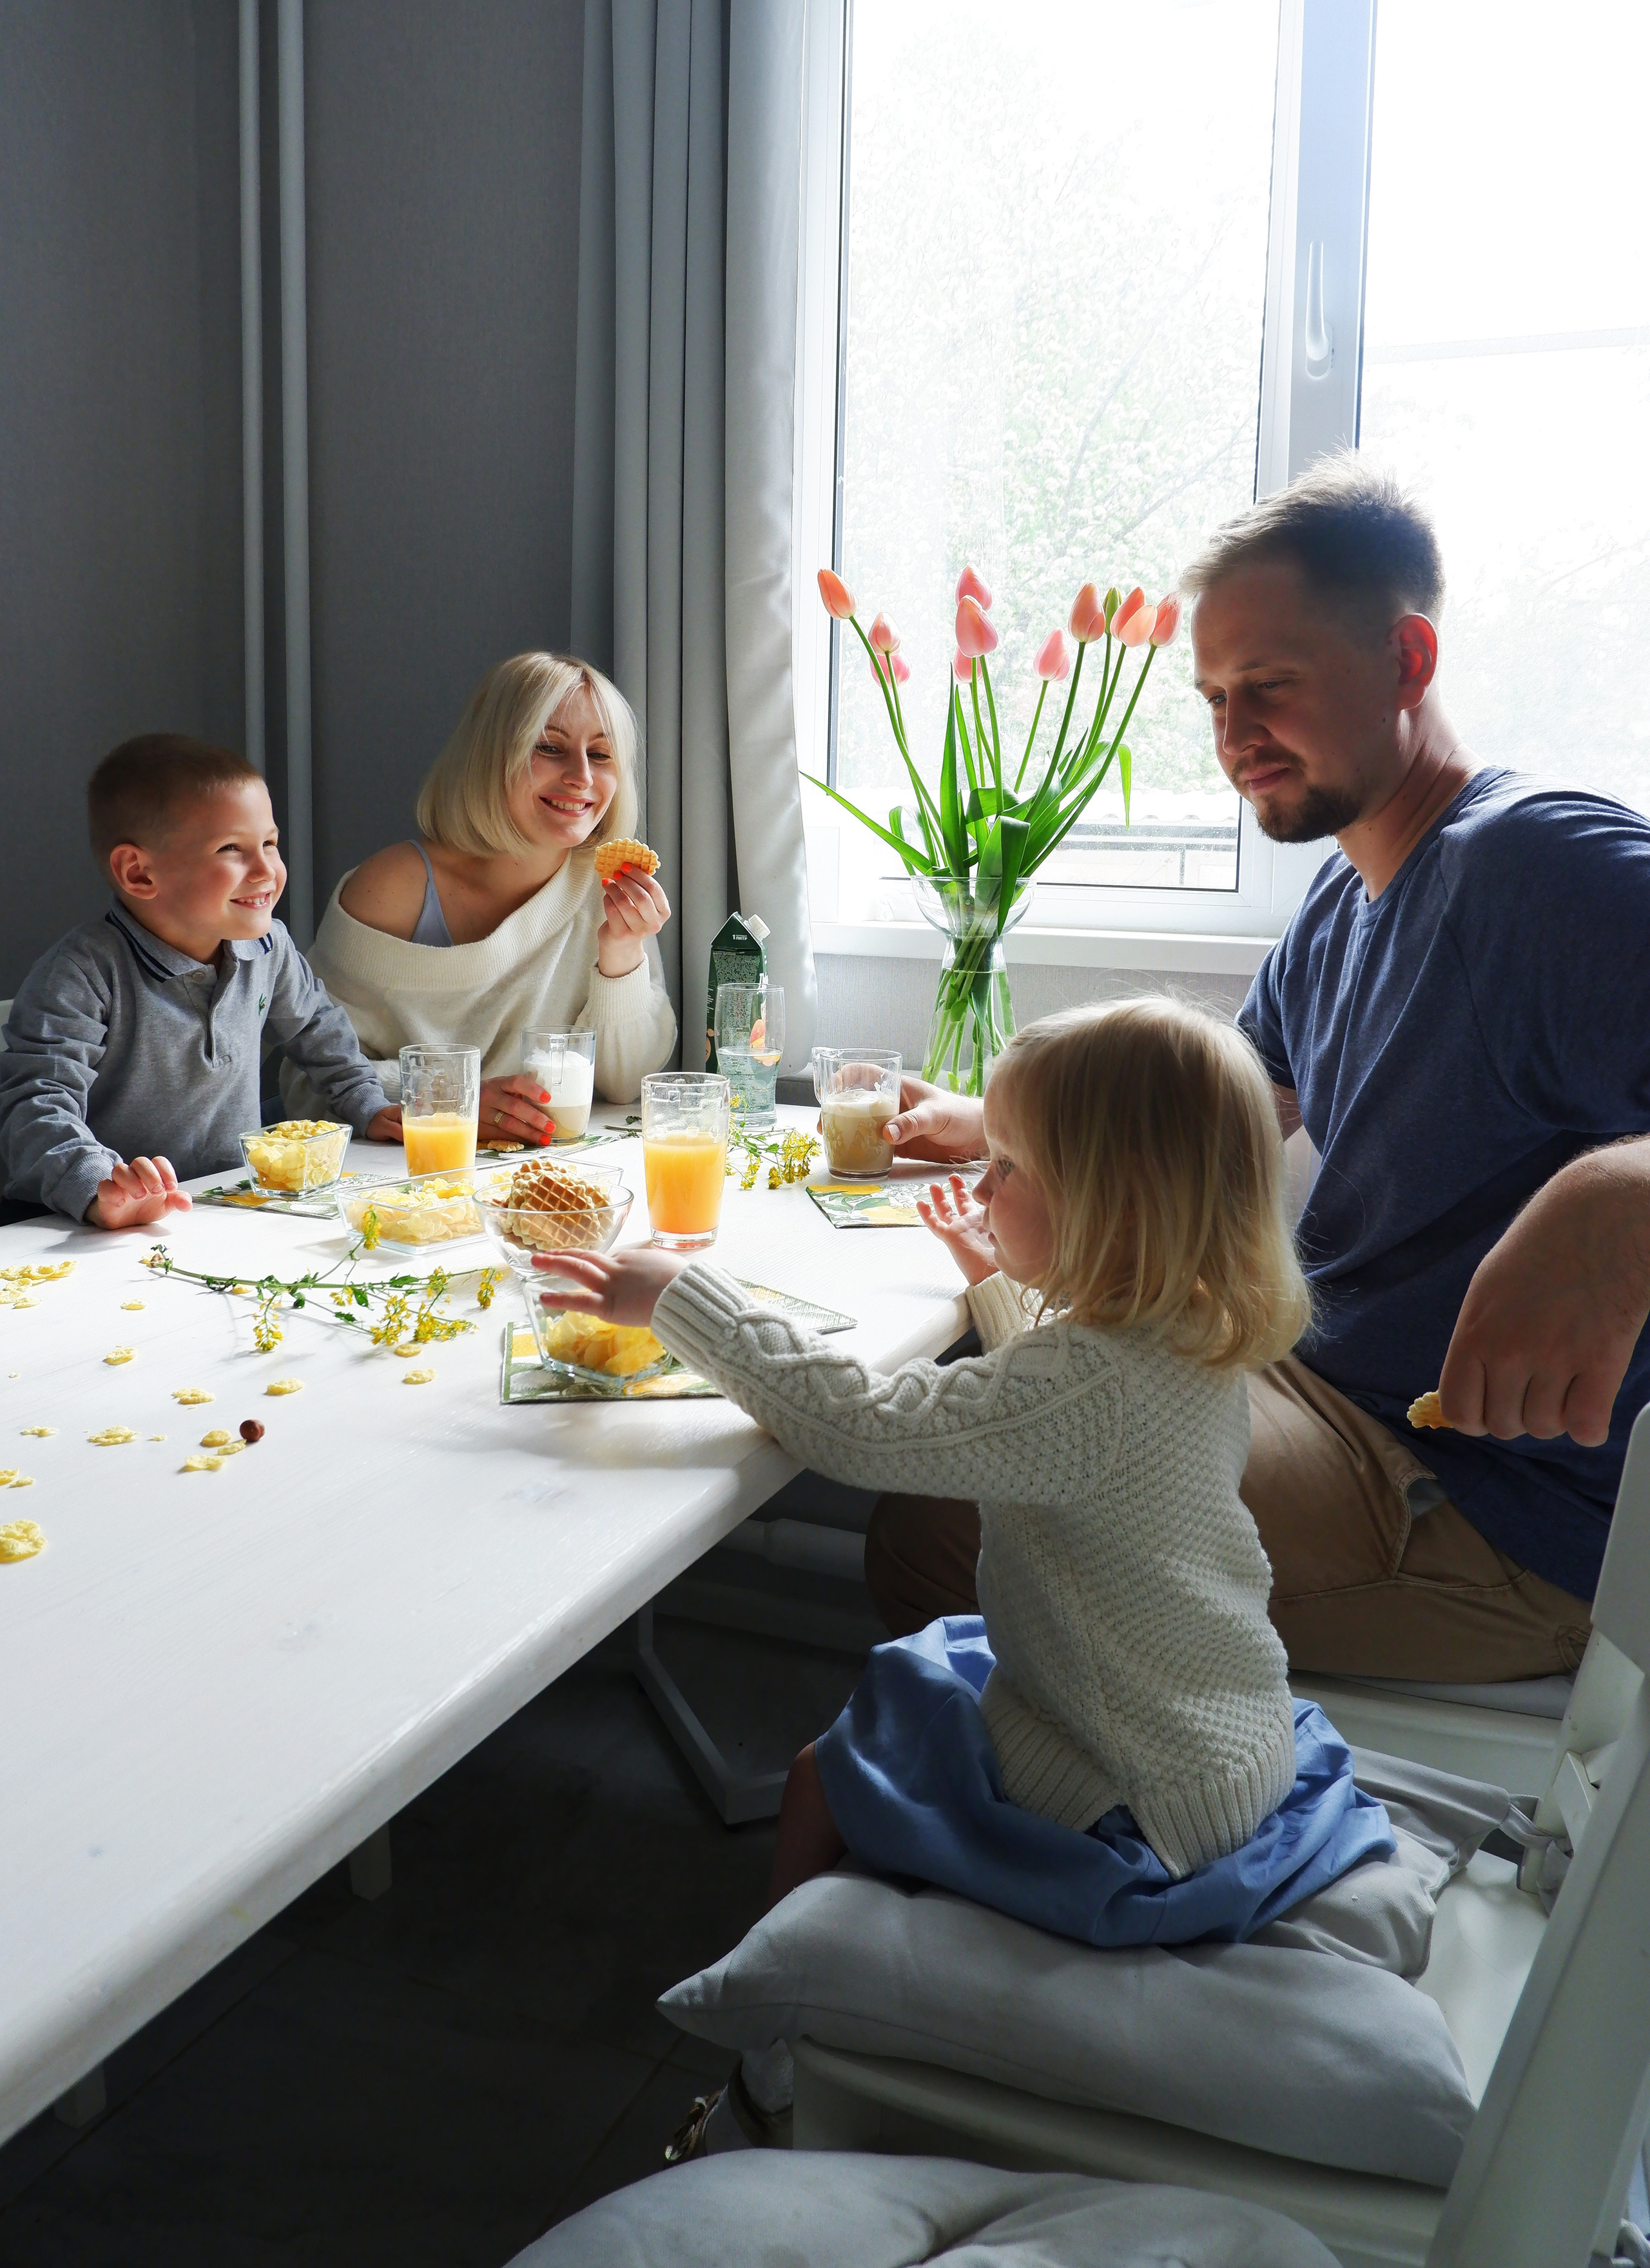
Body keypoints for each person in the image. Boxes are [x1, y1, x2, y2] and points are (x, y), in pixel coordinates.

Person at [538, 1001, 1395, 2155]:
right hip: (1220, 1738)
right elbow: (1064, 1407)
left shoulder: (1080, 1389)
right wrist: (1003, 1287)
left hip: (1131, 1792)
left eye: (1009, 1170)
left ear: (1111, 1208)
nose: (983, 1186)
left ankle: (779, 2056)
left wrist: (683, 1299)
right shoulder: (1193, 1330)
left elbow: (860, 1427)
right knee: (927, 1664)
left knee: (818, 1776)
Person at [864, 454, 1650, 1683]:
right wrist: (999, 1120)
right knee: (994, 1381)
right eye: (1213, 697)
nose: (1234, 736)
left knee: (943, 1516)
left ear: (1408, 661)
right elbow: (1213, 1104)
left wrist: (1621, 1191)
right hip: (1320, 1391)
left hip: (1478, 1502)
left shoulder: (1535, 866)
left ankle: (1087, 1841)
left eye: (1269, 687)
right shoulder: (1346, 891)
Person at [0, 735, 398, 1227]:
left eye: (270, 844)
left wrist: (369, 1105)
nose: (267, 871)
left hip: (225, 1204)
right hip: (86, 1226)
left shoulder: (269, 947)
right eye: (232, 848)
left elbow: (318, 1029)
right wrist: (100, 1187)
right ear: (139, 873)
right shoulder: (81, 974)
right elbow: (35, 1106)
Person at [286, 652, 676, 1141]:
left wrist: (621, 955)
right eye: (550, 747)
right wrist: (453, 1096)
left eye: (601, 755)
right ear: (491, 756)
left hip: (555, 1171)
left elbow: (624, 1085)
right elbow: (305, 1082)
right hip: (407, 1183)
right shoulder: (391, 888)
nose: (582, 776)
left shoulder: (609, 890)